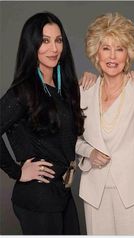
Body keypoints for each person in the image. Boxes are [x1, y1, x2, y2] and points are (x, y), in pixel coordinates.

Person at [75, 12, 134, 235]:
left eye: (120, 48)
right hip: (95, 189)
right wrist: (89, 152)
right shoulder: (84, 91)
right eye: (106, 48)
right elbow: (71, 138)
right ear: (96, 52)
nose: (112, 56)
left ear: (128, 54)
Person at [0, 12, 84, 235]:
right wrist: (17, 172)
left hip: (62, 193)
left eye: (58, 40)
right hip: (37, 197)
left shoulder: (64, 88)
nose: (54, 48)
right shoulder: (23, 91)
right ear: (32, 45)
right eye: (45, 41)